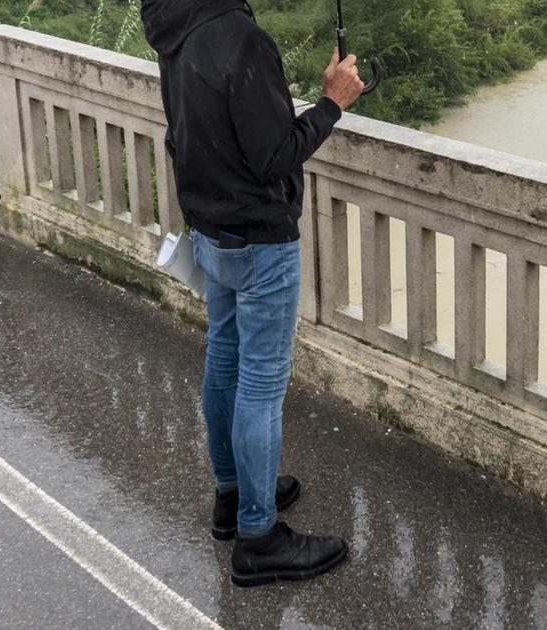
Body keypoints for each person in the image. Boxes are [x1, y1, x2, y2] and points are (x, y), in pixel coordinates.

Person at [140, 0, 364, 587]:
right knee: (260, 388)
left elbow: (184, 133)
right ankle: (259, 536)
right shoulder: (242, 40)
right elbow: (274, 155)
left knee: (224, 362)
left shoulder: (173, 29)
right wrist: (331, 105)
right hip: (260, 241)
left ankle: (232, 496)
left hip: (210, 229)